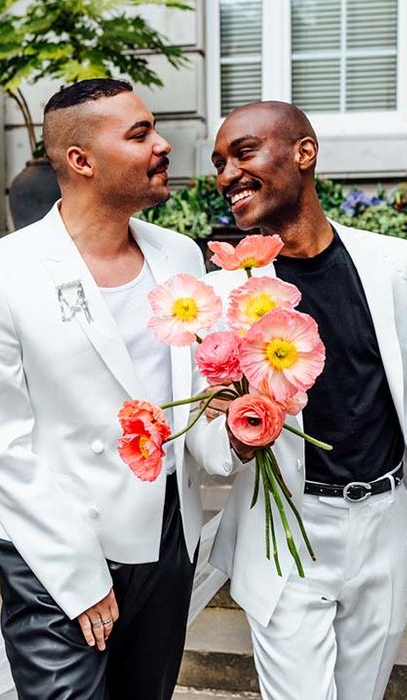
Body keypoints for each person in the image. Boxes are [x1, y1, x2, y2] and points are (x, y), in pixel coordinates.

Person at [0, 78, 228, 700]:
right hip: (54, 551)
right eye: (139, 135)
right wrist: (78, 578)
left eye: (154, 128)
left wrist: (242, 424)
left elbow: (193, 402)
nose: (163, 145)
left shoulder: (180, 256)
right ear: (81, 160)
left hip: (166, 541)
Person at [187, 101, 407, 700]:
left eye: (244, 152)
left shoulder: (392, 266)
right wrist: (236, 427)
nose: (226, 174)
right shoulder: (222, 295)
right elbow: (208, 449)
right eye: (218, 163)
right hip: (287, 536)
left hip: (387, 523)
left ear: (304, 154)